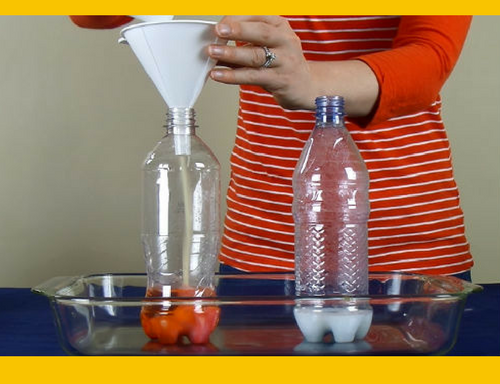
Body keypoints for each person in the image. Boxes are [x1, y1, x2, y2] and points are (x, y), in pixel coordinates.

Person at [72, 14, 473, 278]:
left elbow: (429, 62)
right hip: (259, 251)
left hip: (407, 252)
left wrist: (308, 82)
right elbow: (89, 12)